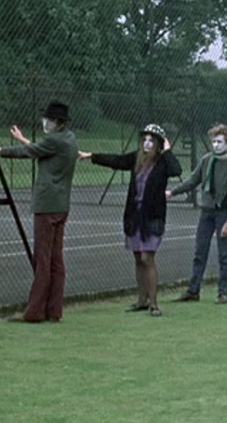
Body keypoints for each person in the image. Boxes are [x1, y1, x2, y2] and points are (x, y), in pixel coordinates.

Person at [0, 101, 78, 323]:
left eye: (49, 119)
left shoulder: (55, 140)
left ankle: (34, 312)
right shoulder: (68, 138)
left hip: (47, 205)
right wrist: (23, 139)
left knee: (43, 259)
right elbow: (41, 148)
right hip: (61, 204)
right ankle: (54, 309)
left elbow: (30, 152)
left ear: (58, 122)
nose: (45, 122)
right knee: (55, 259)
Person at [80, 124, 181, 316]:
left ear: (159, 144)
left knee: (147, 257)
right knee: (137, 258)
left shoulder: (163, 162)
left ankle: (154, 303)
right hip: (134, 215)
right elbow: (116, 160)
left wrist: (167, 152)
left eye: (152, 140)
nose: (147, 143)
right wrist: (92, 156)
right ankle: (141, 300)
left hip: (152, 217)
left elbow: (176, 170)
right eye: (145, 139)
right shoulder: (136, 159)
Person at [168, 124, 227, 305]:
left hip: (223, 212)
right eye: (214, 142)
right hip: (207, 211)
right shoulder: (207, 160)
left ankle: (223, 292)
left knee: (223, 254)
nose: (216, 145)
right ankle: (193, 290)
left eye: (220, 142)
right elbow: (193, 180)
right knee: (199, 251)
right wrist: (173, 192)